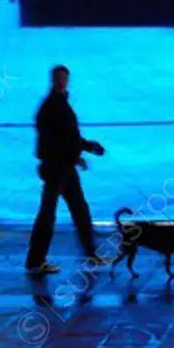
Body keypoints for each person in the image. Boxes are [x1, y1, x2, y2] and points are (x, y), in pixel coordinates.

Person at [25, 65, 110, 276]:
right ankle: (36, 260)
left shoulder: (58, 104)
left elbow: (68, 137)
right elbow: (56, 139)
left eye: (64, 78)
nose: (62, 81)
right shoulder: (52, 106)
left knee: (79, 210)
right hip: (57, 167)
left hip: (63, 166)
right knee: (49, 213)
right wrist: (77, 153)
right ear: (54, 80)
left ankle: (90, 253)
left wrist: (85, 148)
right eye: (59, 78)